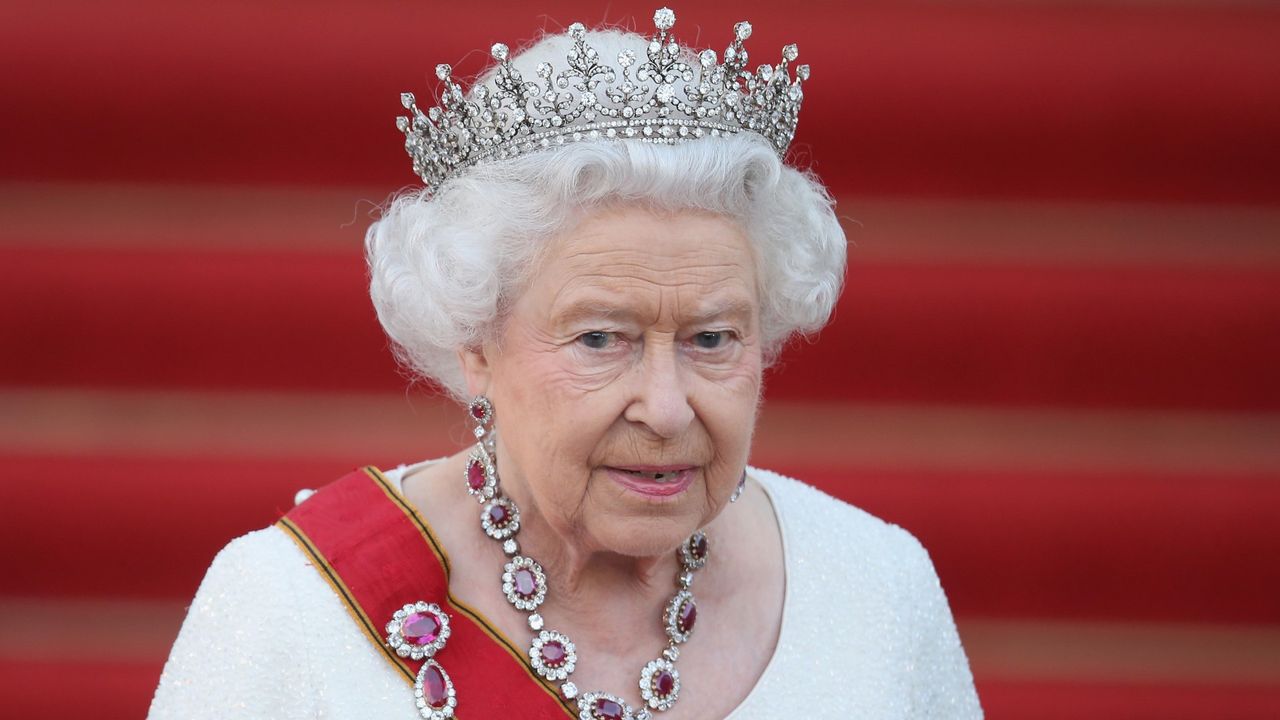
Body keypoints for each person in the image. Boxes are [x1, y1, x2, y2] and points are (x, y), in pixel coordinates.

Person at [150, 8, 981, 719]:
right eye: (600, 339)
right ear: (475, 342)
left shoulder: (876, 588)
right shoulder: (288, 608)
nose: (666, 407)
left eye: (712, 339)